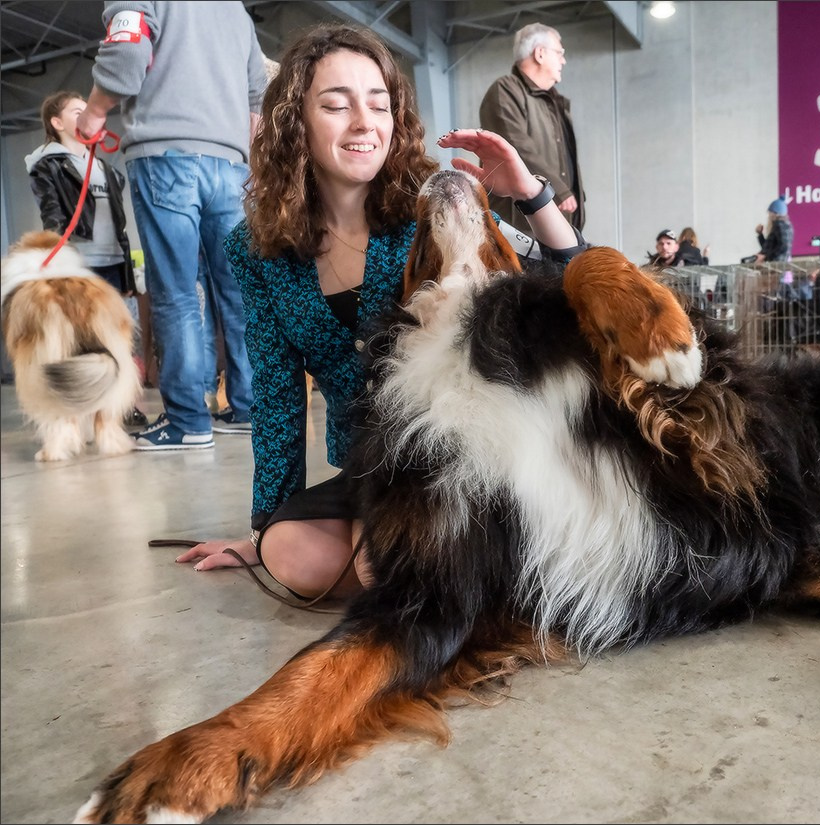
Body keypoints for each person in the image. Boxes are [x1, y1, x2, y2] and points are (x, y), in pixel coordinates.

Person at [174, 24, 585, 601]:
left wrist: (532, 192)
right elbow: (275, 394)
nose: (365, 123)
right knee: (288, 554)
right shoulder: (254, 245)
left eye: (379, 104)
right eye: (336, 105)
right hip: (368, 461)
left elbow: (566, 278)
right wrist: (258, 532)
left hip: (455, 449)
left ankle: (462, 566)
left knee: (378, 568)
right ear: (295, 122)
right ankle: (445, 572)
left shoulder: (431, 199)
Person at [75, 1, 267, 449]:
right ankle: (246, 407)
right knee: (239, 295)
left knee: (178, 296)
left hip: (166, 159)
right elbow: (255, 93)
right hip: (230, 167)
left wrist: (95, 112)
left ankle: (187, 423)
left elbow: (126, 55)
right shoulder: (234, 10)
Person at [25, 89, 147, 427]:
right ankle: (74, 412)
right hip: (79, 265)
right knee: (79, 339)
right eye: (77, 111)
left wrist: (126, 271)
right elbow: (52, 213)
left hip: (112, 263)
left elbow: (119, 223)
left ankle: (122, 407)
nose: (86, 114)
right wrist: (55, 259)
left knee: (121, 339)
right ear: (56, 121)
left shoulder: (104, 166)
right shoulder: (48, 163)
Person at [478, 22, 585, 233]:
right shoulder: (505, 90)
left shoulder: (555, 103)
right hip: (520, 227)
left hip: (559, 220)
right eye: (559, 52)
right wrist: (558, 190)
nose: (563, 60)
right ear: (540, 54)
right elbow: (515, 145)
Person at [755, 197, 793, 262]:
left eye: (770, 213)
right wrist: (760, 234)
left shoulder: (779, 225)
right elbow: (767, 248)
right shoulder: (784, 225)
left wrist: (766, 257)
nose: (768, 215)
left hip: (775, 264)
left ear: (774, 213)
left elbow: (783, 246)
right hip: (776, 263)